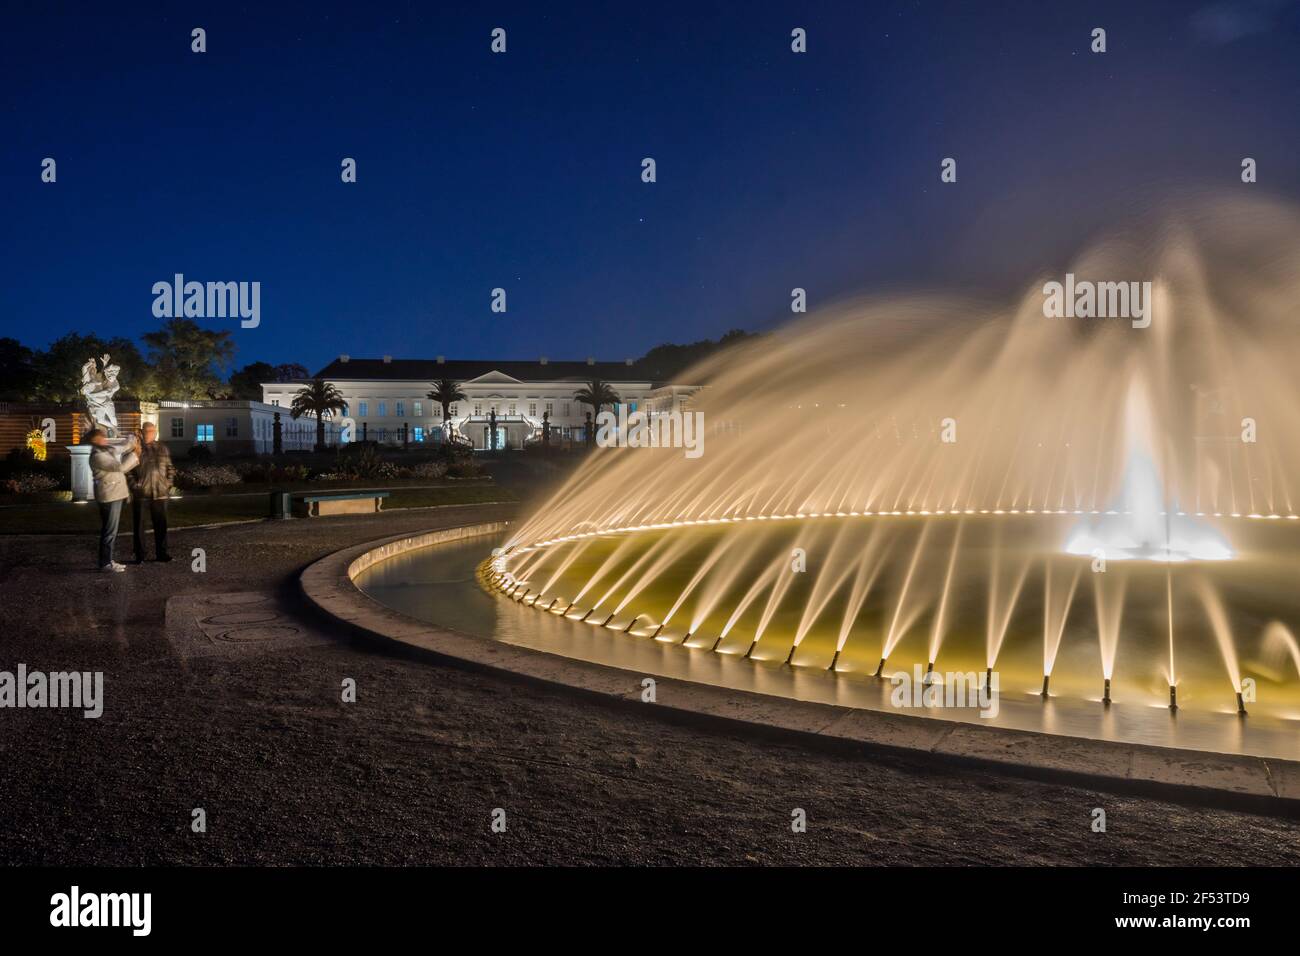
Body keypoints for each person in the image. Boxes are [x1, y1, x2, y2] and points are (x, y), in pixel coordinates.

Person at [87, 428, 139, 572]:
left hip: (114, 495)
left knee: (111, 531)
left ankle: (108, 560)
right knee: (110, 531)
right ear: (94, 440)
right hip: (109, 497)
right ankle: (105, 563)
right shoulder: (98, 456)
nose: (105, 439)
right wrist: (135, 455)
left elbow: (122, 447)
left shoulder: (105, 450)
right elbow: (120, 467)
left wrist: (131, 438)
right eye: (101, 437)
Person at [130, 422, 175, 563]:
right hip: (141, 494)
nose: (151, 433)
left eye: (153, 430)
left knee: (161, 525)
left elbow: (170, 468)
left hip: (160, 493)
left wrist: (168, 483)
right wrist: (135, 485)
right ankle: (140, 555)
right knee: (139, 526)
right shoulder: (136, 449)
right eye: (148, 430)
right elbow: (127, 471)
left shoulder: (162, 448)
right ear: (142, 432)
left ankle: (162, 554)